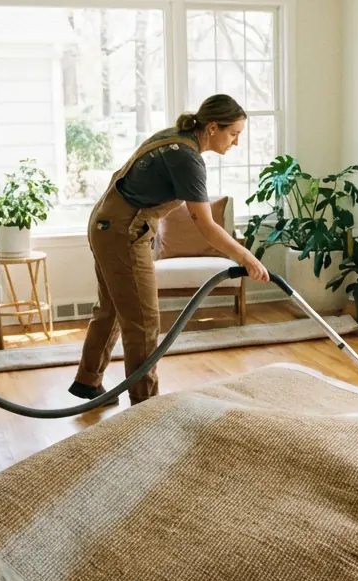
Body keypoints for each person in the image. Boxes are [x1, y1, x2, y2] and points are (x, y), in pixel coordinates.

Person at [69, 94, 269, 407]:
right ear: (213, 127)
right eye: (234, 134)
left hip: (106, 224)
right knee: (144, 322)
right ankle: (146, 405)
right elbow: (205, 225)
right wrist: (246, 256)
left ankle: (87, 382)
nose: (236, 142)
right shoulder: (187, 158)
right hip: (123, 232)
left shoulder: (174, 139)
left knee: (112, 310)